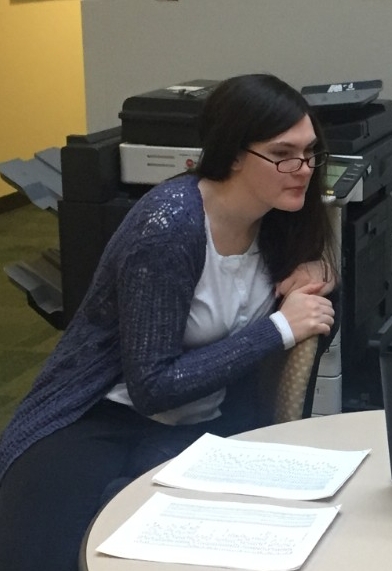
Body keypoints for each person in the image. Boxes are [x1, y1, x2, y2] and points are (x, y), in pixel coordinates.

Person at [0, 73, 339, 571]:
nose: (303, 169)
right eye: (283, 153)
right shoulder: (169, 227)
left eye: (310, 153)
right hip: (99, 416)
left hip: (206, 424)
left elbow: (321, 303)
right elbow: (152, 387)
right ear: (234, 154)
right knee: (38, 555)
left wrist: (321, 268)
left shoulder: (281, 218)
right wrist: (277, 329)